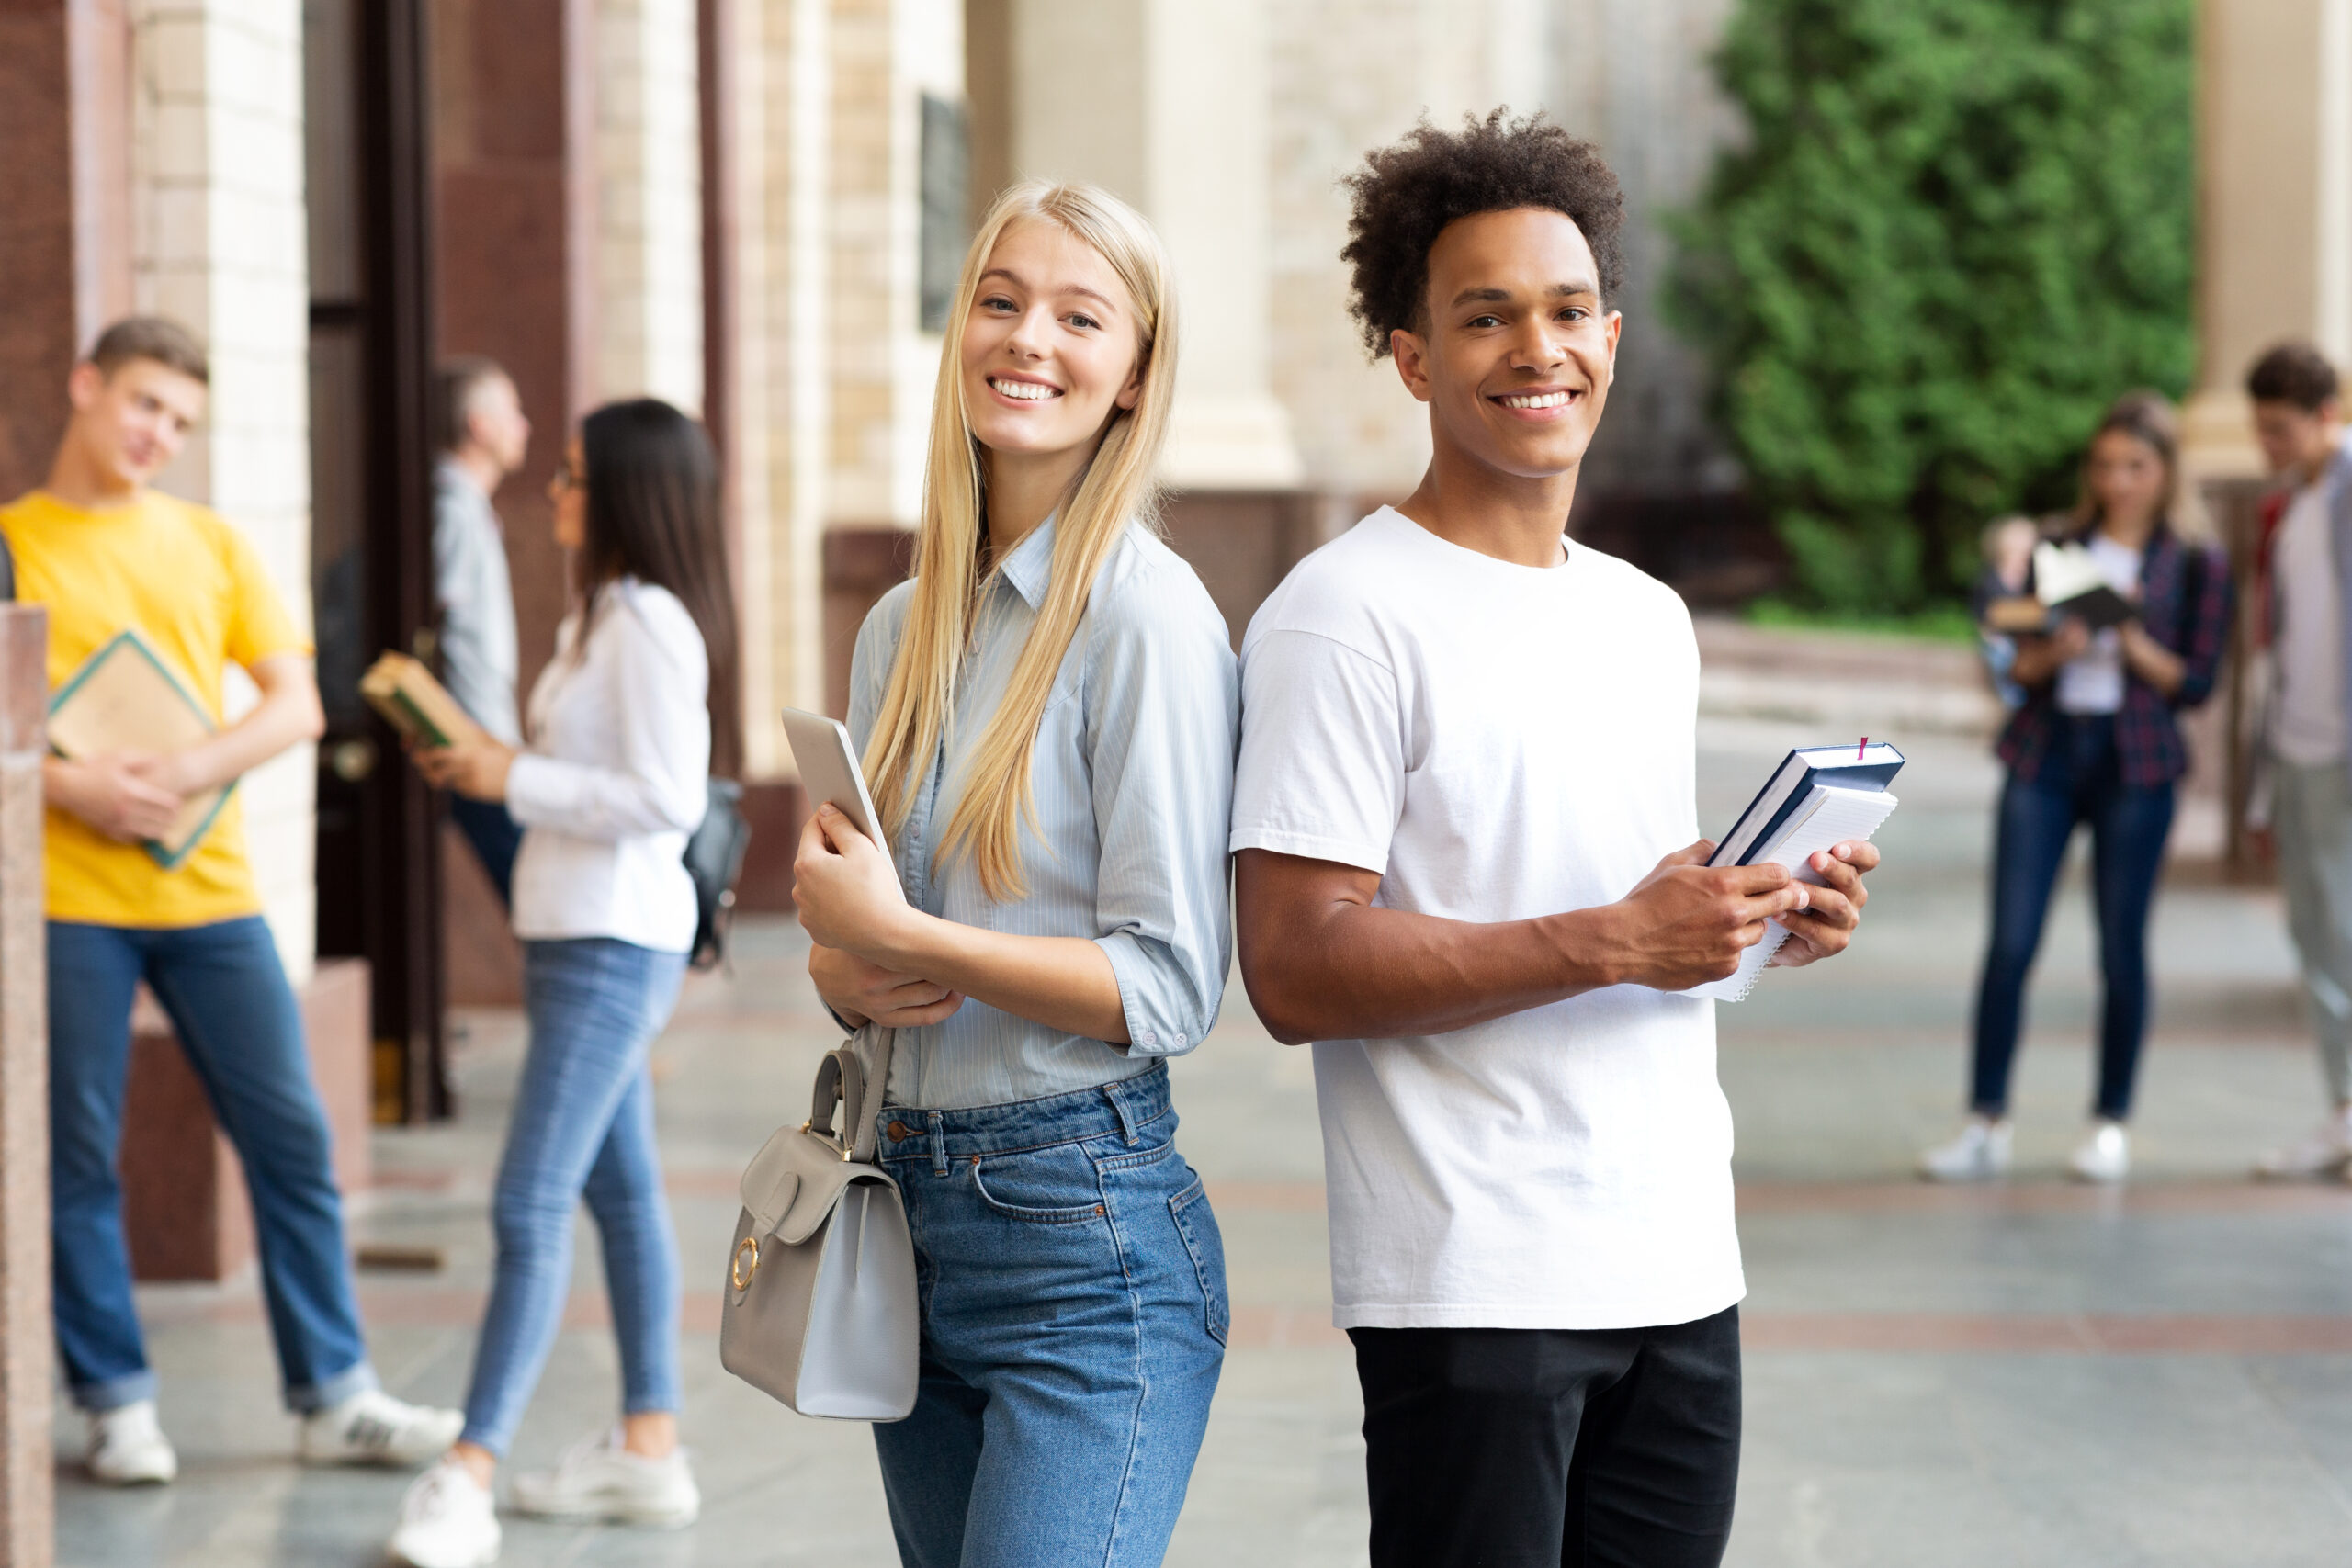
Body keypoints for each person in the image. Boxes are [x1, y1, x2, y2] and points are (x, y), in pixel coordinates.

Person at [1229, 114, 1882, 1568]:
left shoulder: (1645, 613)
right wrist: (1616, 937)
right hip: (1472, 1275)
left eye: (1569, 309)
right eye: (1487, 315)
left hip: (1676, 1252)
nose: (1541, 347)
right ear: (1410, 355)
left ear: (1614, 333)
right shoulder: (1343, 615)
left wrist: (1756, 914)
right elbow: (1292, 964)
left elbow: (1625, 911)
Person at [787, 180, 1236, 1568]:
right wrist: (838, 960)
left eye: (1077, 315)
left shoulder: (1148, 621)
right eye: (999, 299)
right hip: (906, 1212)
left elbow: (1167, 982)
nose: (1027, 338)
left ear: (1133, 374)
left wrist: (905, 930)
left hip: (1082, 1243)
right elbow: (865, 949)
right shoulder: (900, 628)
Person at [1, 317, 461, 1484]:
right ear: (86, 383)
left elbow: (295, 705)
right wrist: (78, 787)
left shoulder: (210, 543)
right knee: (76, 1154)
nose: (159, 433)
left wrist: (177, 777)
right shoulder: (12, 542)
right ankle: (114, 1403)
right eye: (146, 403)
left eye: (182, 421)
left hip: (210, 896)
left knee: (293, 1139)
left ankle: (333, 1393)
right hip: (65, 900)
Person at [386, 399, 739, 1568]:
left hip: (610, 945)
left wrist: (509, 772)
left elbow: (664, 800)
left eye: (577, 474)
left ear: (630, 491)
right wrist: (505, 768)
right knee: (619, 1196)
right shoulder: (600, 614)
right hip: (571, 934)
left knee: (526, 1202)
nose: (555, 488)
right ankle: (649, 1449)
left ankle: (467, 1471)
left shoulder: (646, 624)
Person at [1922, 393, 2233, 1184]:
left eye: (2136, 466)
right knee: (2011, 942)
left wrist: (2126, 636)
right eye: (2105, 465)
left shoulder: (2194, 560)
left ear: (2166, 473)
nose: (2119, 481)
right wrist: (2057, 648)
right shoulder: (2059, 543)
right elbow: (2017, 670)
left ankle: (2108, 1122)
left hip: (2139, 764)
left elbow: (2195, 683)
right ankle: (1985, 1121)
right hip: (2047, 757)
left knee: (2121, 947)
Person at [2243, 344, 2352, 1178]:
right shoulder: (2290, 506)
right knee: (2317, 934)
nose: (2266, 445)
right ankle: (2343, 1111)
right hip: (2300, 747)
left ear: (2325, 414)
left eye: (2280, 428)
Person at [434, 356, 530, 905]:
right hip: (473, 739)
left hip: (488, 736)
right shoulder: (451, 510)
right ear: (479, 425)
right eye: (513, 411)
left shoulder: (465, 507)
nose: (525, 426)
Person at [1973, 513, 2042, 709]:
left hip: (2022, 640)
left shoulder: (2032, 578)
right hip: (2000, 640)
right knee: (2002, 652)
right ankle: (2014, 699)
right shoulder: (1989, 579)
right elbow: (1986, 617)